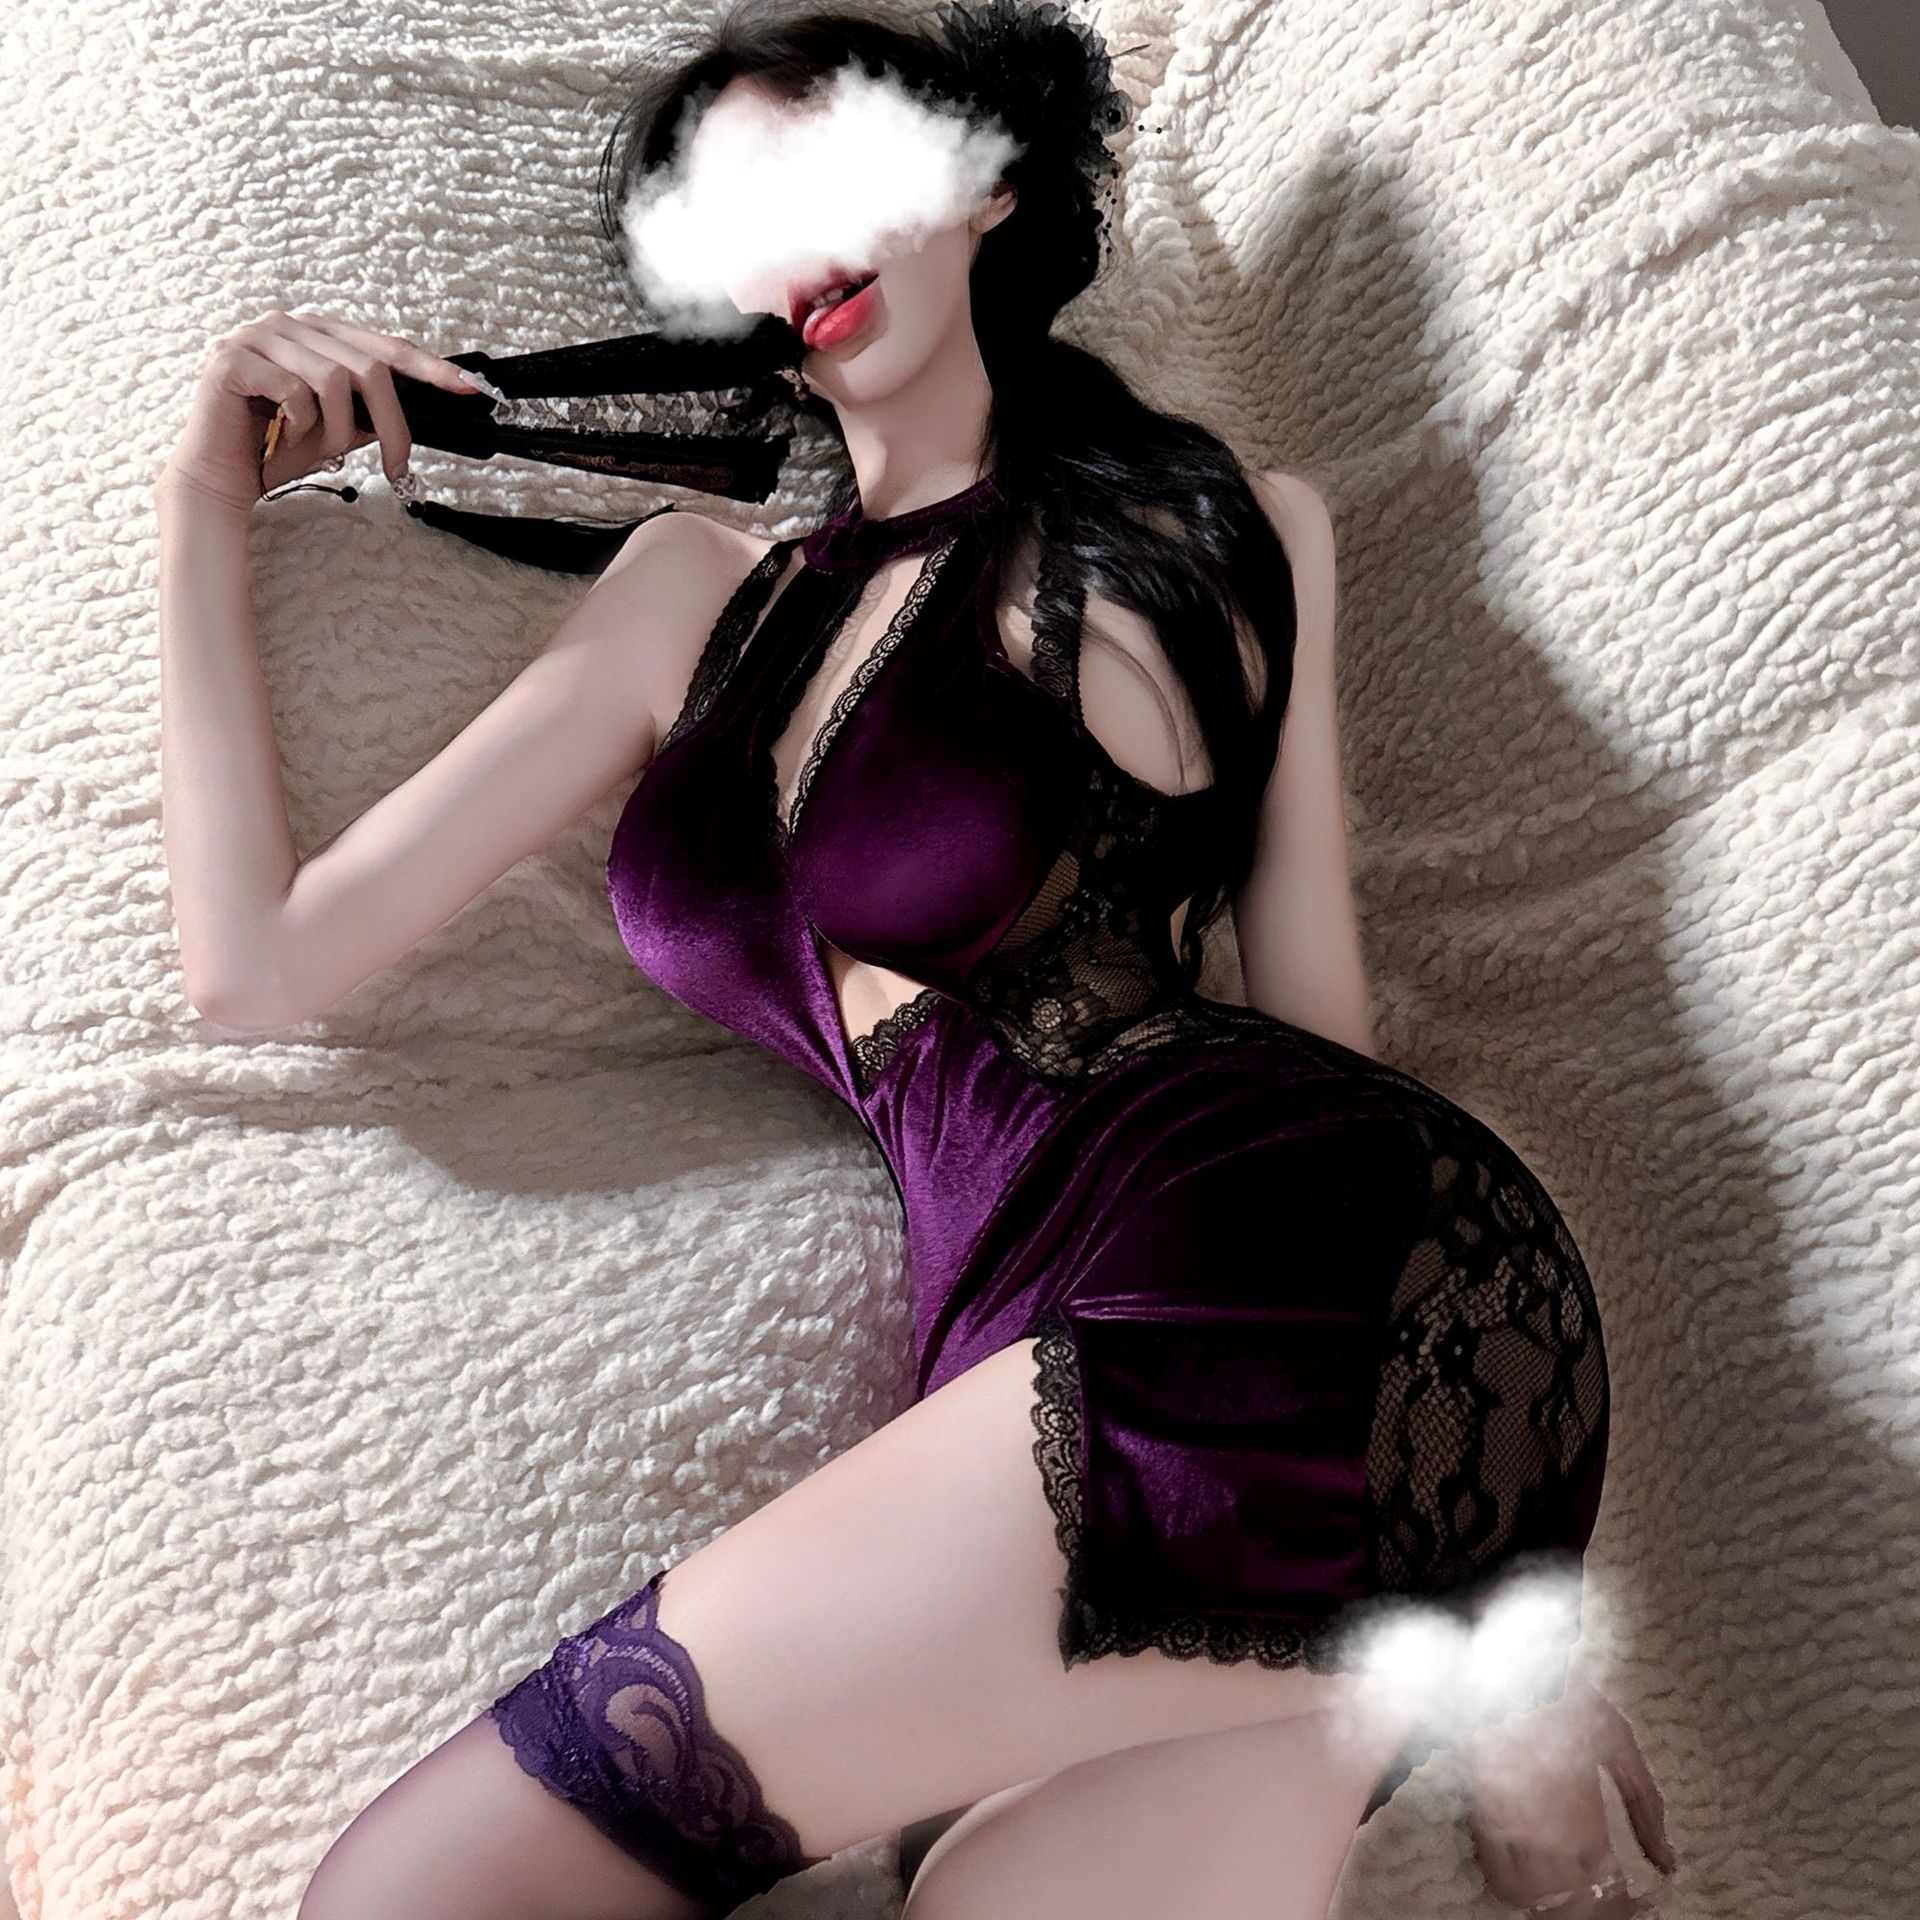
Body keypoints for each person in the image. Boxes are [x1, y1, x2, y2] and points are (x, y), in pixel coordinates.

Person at [151, 2, 1677, 1916]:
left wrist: (1506, 1536)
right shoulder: (690, 597)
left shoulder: (1224, 524)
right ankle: (1426, 1655)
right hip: (1061, 1360)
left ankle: (1457, 1641)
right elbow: (259, 964)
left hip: (1315, 1268)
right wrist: (199, 504)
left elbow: (1322, 1031)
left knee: (412, 1896)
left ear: (992, 183)